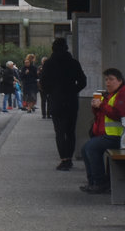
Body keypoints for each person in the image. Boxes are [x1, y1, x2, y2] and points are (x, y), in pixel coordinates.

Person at [39, 38, 87, 172]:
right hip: (71, 101)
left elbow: (43, 83)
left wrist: (51, 92)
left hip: (56, 101)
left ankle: (64, 159)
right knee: (70, 131)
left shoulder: (49, 64)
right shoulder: (73, 63)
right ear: (66, 47)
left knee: (59, 131)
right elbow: (83, 81)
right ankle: (69, 158)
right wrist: (73, 90)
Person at [79, 67, 125, 194]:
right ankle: (93, 182)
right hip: (107, 134)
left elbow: (118, 114)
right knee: (85, 149)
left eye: (111, 79)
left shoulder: (122, 93)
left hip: (118, 136)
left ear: (120, 80)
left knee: (91, 148)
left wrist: (101, 105)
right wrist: (96, 107)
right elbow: (101, 115)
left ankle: (100, 183)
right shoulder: (109, 94)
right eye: (106, 79)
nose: (108, 83)